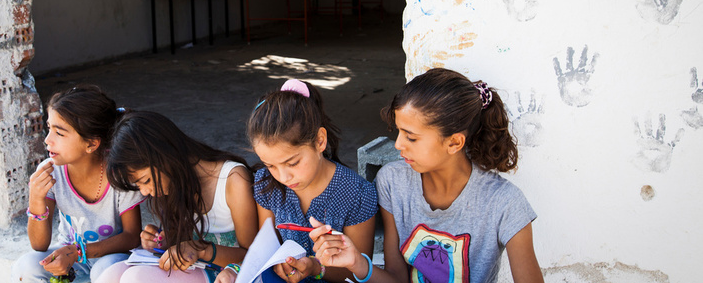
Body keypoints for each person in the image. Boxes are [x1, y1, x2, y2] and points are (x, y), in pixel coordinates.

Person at [310, 68, 544, 283]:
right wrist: (357, 262)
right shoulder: (393, 181)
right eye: (398, 131)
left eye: (411, 137)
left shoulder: (505, 202)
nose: (399, 145)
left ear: (454, 142)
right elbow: (397, 278)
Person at [218, 79, 377, 283]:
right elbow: (266, 252)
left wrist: (315, 268)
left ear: (320, 141)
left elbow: (359, 273)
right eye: (271, 165)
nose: (283, 177)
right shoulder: (267, 184)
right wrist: (235, 270)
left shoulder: (357, 194)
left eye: (292, 163)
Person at [98, 110, 258, 283]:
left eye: (146, 180)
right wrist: (164, 241)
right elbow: (183, 240)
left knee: (135, 278)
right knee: (109, 275)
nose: (144, 192)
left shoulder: (233, 180)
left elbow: (251, 255)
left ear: (164, 156)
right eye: (138, 186)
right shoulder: (174, 185)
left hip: (226, 274)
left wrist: (200, 249)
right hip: (193, 268)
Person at [11, 85, 145, 283]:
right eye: (49, 129)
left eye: (60, 133)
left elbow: (131, 236)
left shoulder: (119, 174)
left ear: (91, 144)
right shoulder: (51, 171)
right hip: (69, 257)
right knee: (27, 267)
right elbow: (39, 245)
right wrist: (36, 198)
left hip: (111, 257)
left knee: (104, 270)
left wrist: (79, 252)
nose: (48, 140)